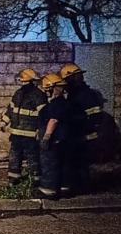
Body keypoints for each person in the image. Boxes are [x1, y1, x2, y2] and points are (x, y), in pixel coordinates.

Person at [59, 62, 104, 192]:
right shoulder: (78, 94)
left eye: (66, 80)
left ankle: (83, 189)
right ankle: (80, 186)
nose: (65, 84)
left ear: (72, 79)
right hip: (81, 135)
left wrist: (81, 131)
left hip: (85, 136)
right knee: (79, 164)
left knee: (81, 164)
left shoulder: (83, 95)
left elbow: (93, 116)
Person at [1, 68, 47, 185]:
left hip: (31, 133)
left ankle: (36, 179)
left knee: (32, 156)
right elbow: (11, 110)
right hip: (16, 132)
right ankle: (13, 177)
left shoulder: (39, 96)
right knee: (15, 155)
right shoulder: (18, 93)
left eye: (26, 82)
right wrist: (4, 122)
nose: (24, 84)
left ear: (32, 81)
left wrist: (40, 132)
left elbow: (43, 115)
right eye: (22, 82)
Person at [33, 73, 72, 200]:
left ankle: (48, 191)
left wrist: (46, 137)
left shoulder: (55, 103)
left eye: (46, 89)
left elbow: (53, 120)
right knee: (63, 164)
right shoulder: (65, 102)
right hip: (64, 139)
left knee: (49, 164)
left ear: (51, 88)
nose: (45, 91)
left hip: (54, 140)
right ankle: (65, 189)